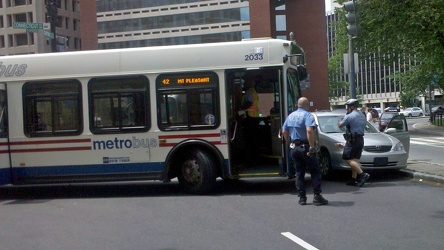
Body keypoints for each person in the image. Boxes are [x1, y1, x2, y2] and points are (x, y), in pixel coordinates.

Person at [282, 97, 328, 206]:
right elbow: (309, 130)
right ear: (307, 105)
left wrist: (288, 142)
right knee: (315, 171)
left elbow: (284, 131)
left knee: (299, 172)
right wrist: (312, 147)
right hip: (305, 147)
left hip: (294, 148)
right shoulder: (308, 115)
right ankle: (317, 196)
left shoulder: (290, 116)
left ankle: (302, 198)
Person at [337, 99, 370, 187]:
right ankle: (353, 179)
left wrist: (340, 121)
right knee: (355, 160)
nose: (347, 108)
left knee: (347, 158)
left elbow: (341, 125)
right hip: (360, 140)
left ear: (352, 107)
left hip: (352, 140)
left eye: (348, 107)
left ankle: (362, 174)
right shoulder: (362, 115)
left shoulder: (349, 116)